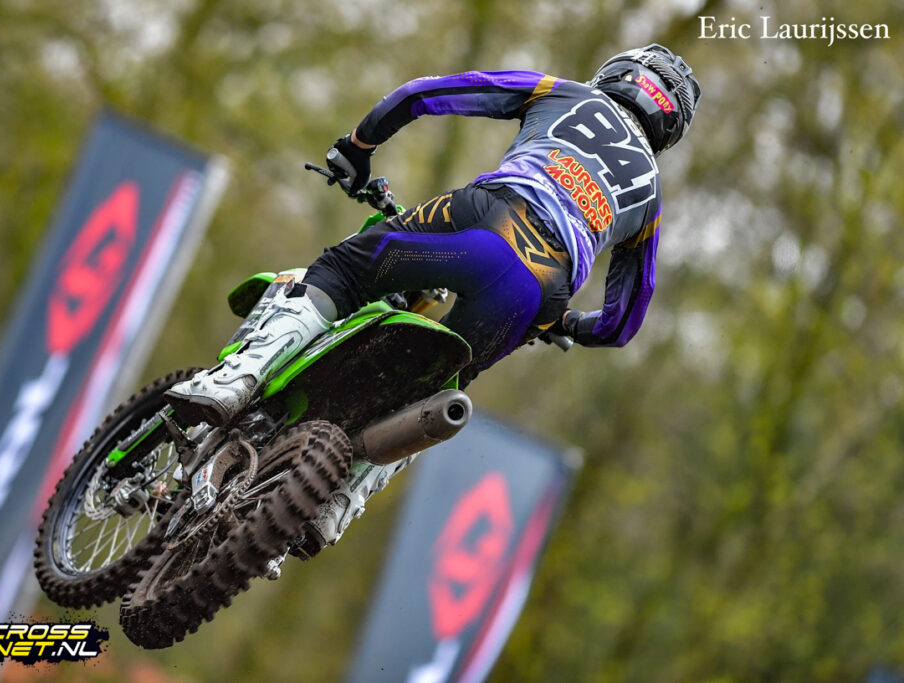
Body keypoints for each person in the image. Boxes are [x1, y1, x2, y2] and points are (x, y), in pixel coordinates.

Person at [167, 44, 701, 552]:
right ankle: (339, 500)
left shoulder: (563, 93)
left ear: (619, 72)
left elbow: (425, 93)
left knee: (343, 271)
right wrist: (569, 324)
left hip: (485, 219)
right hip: (540, 290)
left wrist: (358, 146)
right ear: (669, 129)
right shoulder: (650, 195)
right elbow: (623, 321)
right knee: (440, 387)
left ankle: (237, 378)